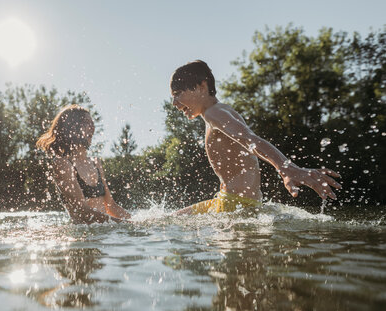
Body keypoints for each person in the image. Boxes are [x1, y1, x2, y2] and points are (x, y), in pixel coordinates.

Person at [169, 60, 342, 215]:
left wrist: (287, 168)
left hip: (236, 205)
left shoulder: (214, 113)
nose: (174, 102)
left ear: (201, 86)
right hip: (232, 200)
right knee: (172, 219)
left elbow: (251, 140)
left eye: (178, 93)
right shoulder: (221, 111)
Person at [36, 105, 131, 224]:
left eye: (92, 123)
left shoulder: (96, 163)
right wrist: (123, 224)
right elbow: (83, 212)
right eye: (86, 123)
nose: (92, 127)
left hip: (104, 235)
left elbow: (111, 206)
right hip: (83, 238)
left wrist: (138, 223)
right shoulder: (63, 164)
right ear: (72, 127)